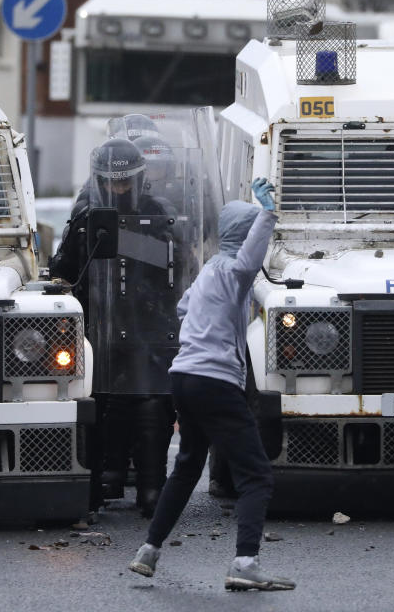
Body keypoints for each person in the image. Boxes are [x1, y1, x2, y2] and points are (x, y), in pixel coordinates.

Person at [128, 178, 296, 591]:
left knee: (186, 469)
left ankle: (148, 551)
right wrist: (269, 215)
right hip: (215, 382)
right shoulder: (235, 272)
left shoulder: (208, 272)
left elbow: (185, 307)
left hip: (184, 377)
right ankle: (245, 562)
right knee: (256, 474)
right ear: (246, 237)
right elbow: (248, 261)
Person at [50, 138, 178, 516]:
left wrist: (124, 238)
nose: (117, 190)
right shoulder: (85, 214)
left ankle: (153, 489)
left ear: (138, 180)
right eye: (109, 182)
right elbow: (64, 270)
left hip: (150, 323)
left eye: (124, 183)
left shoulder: (160, 212)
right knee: (102, 404)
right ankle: (101, 482)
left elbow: (179, 262)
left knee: (153, 403)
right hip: (99, 327)